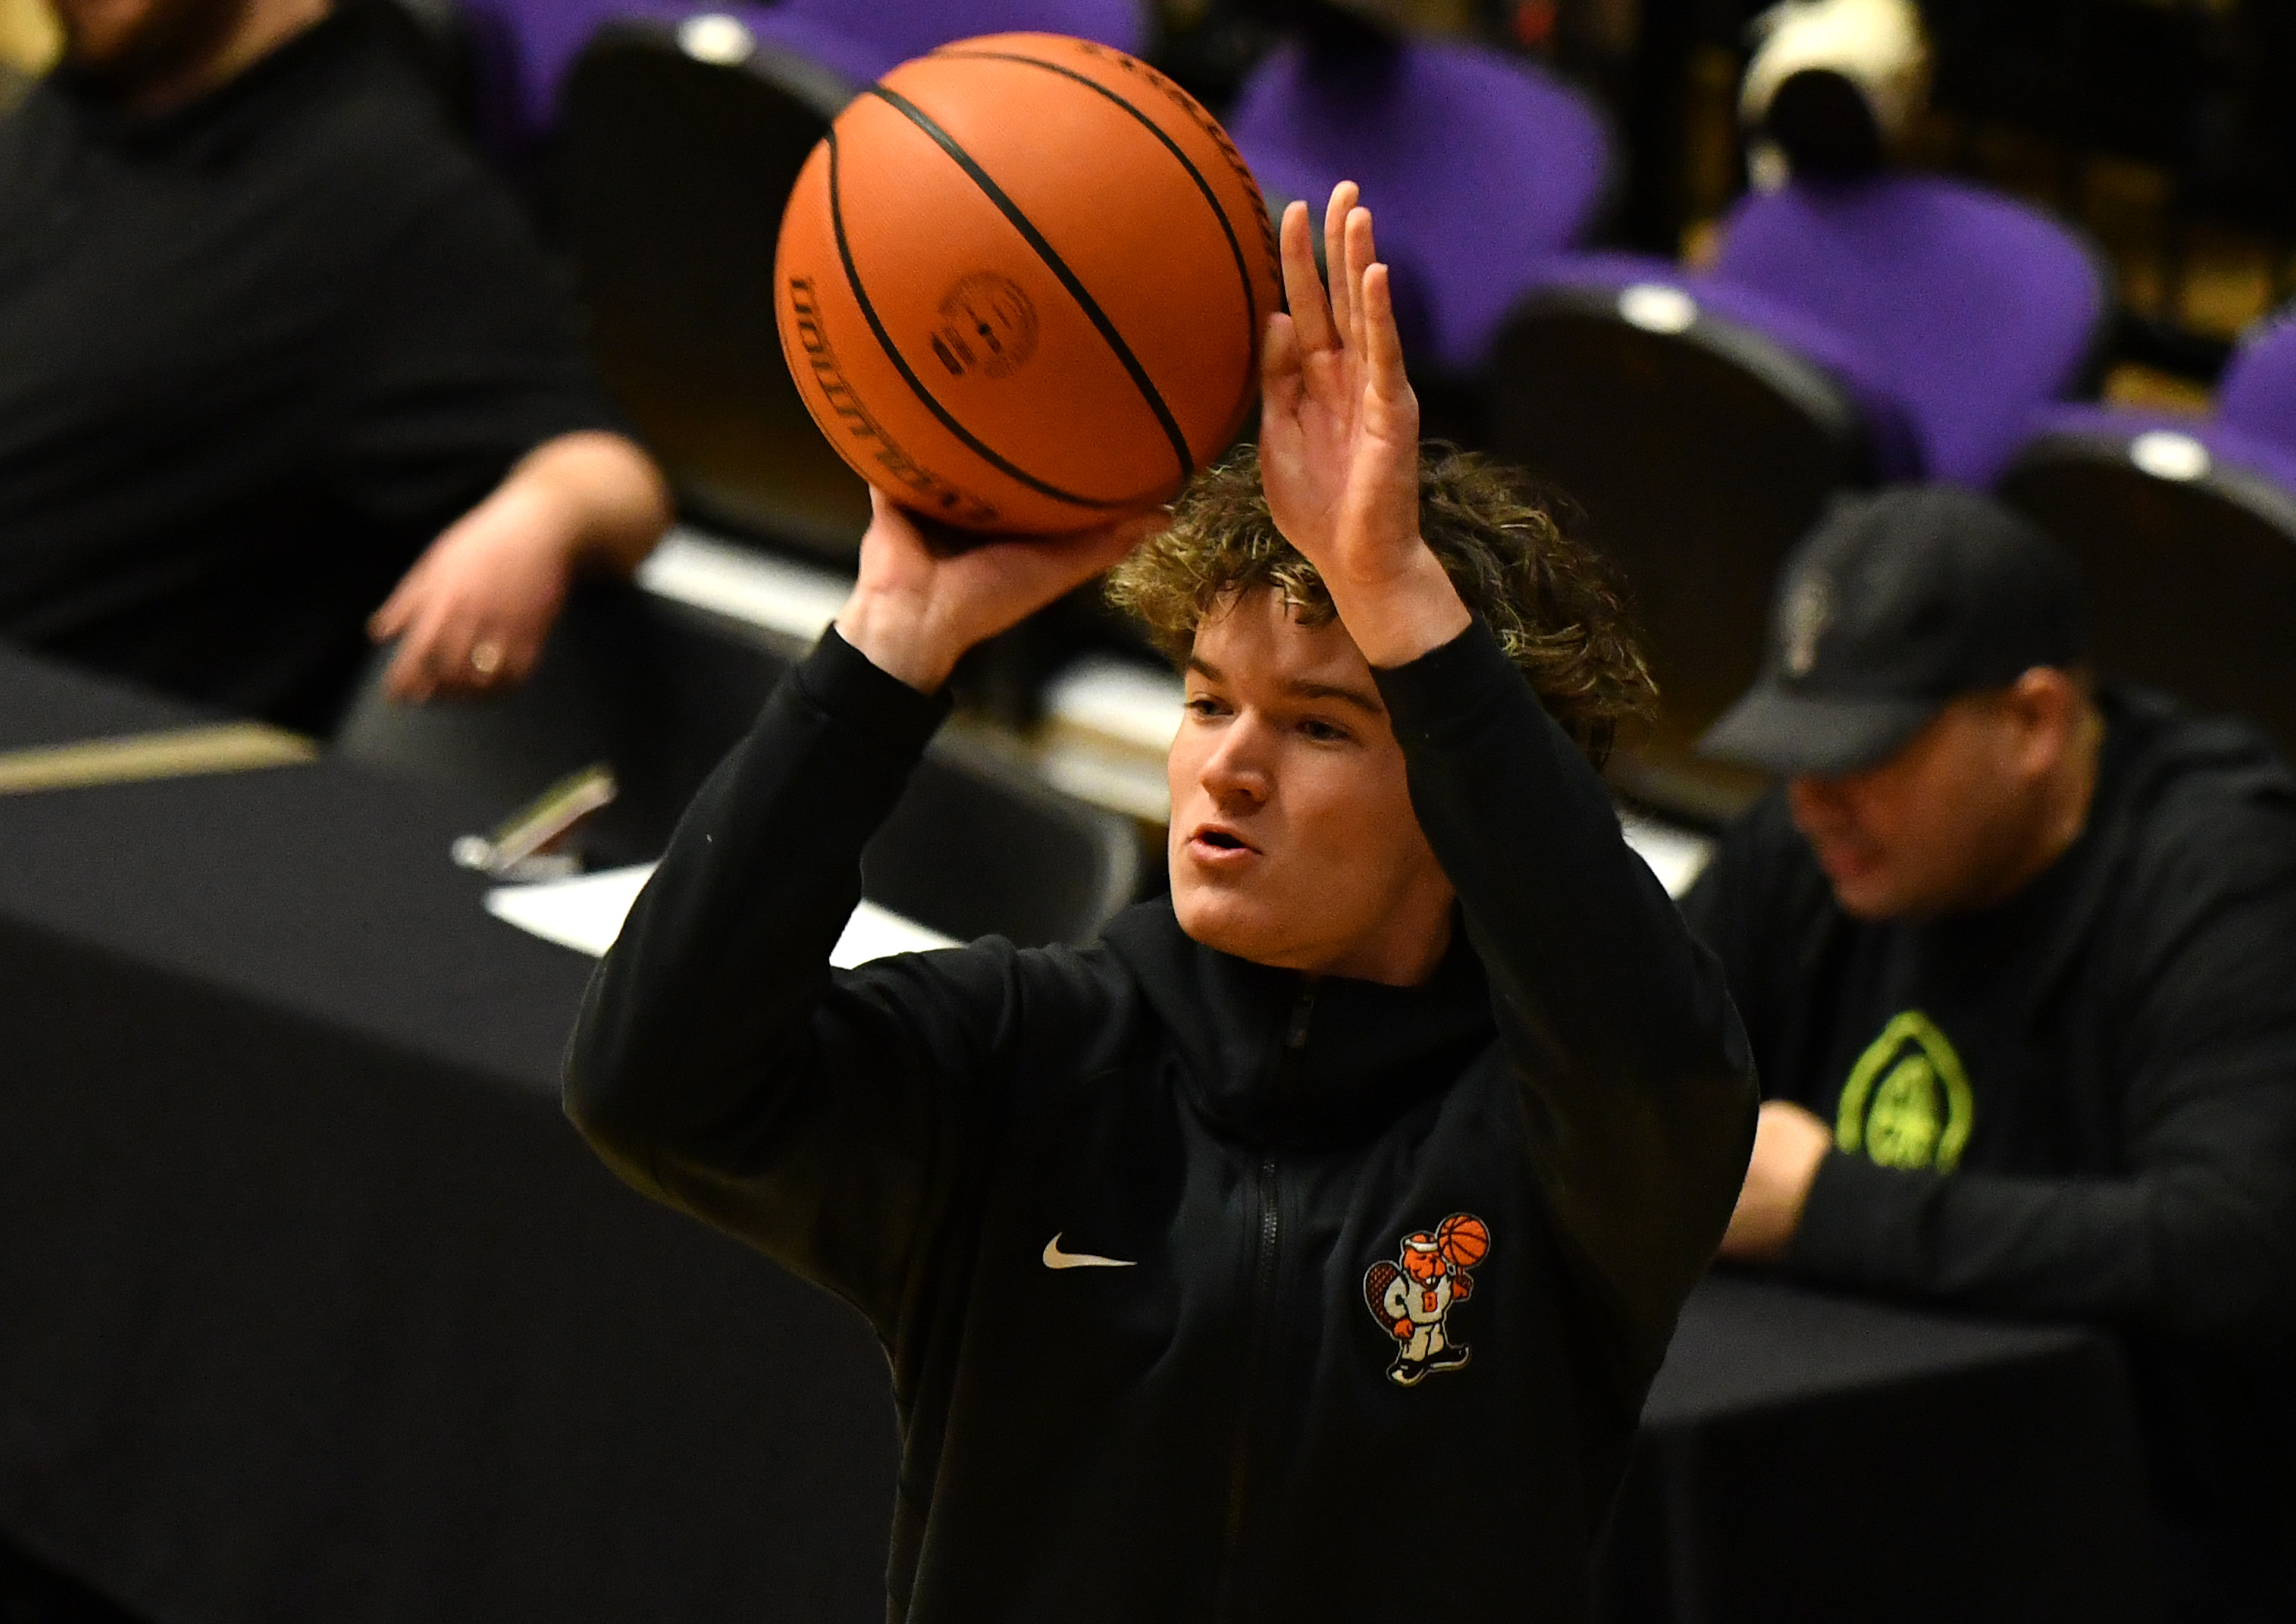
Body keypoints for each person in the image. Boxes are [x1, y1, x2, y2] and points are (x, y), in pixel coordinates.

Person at [563, 185, 1757, 1621]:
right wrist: (887, 650)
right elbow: (651, 1080)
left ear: (1461, 794)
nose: (1228, 767)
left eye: (1320, 725)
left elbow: (1656, 1043)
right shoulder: (1030, 1050)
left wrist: (1400, 600)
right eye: (1205, 701)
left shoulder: (1555, 1142)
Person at [1683, 486, 2296, 1624]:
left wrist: (1820, 1205)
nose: (1810, 797)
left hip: (2154, 1520)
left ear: (2033, 724)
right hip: (1861, 1463)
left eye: (1865, 752)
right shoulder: (1817, 831)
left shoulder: (2220, 874)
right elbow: (1622, 1062)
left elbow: (2234, 1246)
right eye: (1793, 749)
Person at [0, 0, 670, 734]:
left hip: (72, 774)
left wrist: (542, 515)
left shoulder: (386, 198)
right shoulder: (85, 97)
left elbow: (611, 472)